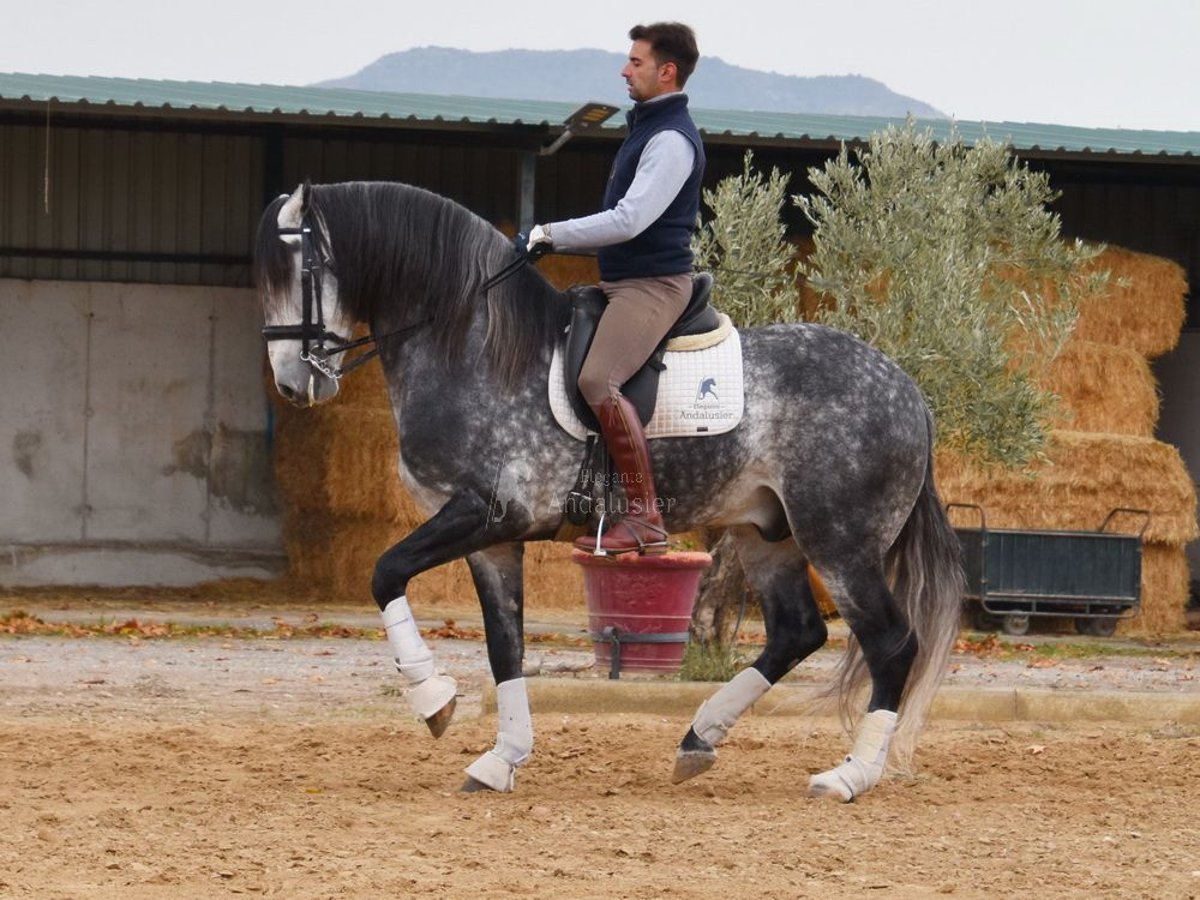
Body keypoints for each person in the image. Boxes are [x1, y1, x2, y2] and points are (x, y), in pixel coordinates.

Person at [527, 21, 705, 555]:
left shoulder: (671, 140)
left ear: (666, 71)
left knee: (599, 380)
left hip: (652, 287)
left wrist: (549, 234)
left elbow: (629, 220)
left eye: (636, 62)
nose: (624, 70)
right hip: (622, 282)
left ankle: (646, 518)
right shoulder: (647, 130)